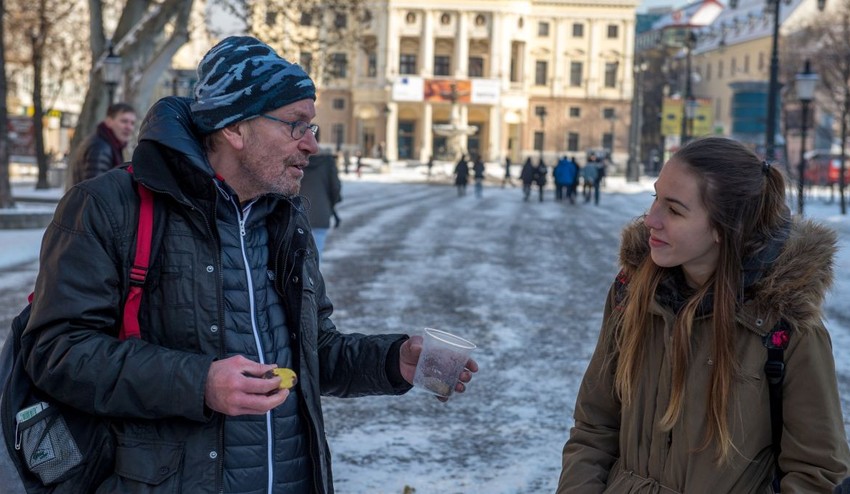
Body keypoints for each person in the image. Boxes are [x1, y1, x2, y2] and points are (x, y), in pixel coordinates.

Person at [20, 36, 478, 493]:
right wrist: (199, 382)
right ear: (235, 128)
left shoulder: (284, 216)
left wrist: (393, 359)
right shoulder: (107, 207)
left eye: (312, 127)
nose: (312, 146)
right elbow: (56, 352)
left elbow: (312, 351)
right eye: (297, 125)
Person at [557, 137, 849, 493]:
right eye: (655, 198)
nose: (651, 220)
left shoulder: (785, 327)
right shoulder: (631, 292)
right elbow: (593, 428)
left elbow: (816, 473)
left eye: (675, 210)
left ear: (724, 229)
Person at [69, 102, 137, 185]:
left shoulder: (104, 143)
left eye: (132, 123)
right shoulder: (100, 148)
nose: (129, 127)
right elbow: (96, 189)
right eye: (124, 121)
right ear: (109, 121)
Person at [301, 151, 342, 262]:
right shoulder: (327, 162)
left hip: (299, 212)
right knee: (316, 255)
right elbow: (335, 188)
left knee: (297, 254)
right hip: (320, 212)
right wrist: (330, 204)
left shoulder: (298, 159)